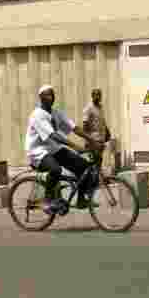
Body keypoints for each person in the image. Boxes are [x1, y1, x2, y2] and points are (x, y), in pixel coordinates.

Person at [25, 85, 95, 213]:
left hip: (54, 149)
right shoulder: (37, 115)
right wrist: (75, 146)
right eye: (47, 95)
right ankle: (47, 200)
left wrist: (92, 140)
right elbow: (53, 135)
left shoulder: (56, 113)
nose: (51, 98)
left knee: (83, 166)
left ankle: (81, 199)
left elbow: (74, 128)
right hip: (38, 152)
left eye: (52, 95)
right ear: (41, 98)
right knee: (55, 169)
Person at [80, 88, 111, 169]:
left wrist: (107, 132)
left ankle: (97, 174)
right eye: (96, 95)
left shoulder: (100, 107)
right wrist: (87, 140)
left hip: (101, 138)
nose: (97, 97)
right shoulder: (88, 108)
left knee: (99, 159)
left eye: (99, 95)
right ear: (92, 96)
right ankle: (93, 175)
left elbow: (102, 120)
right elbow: (85, 124)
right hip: (93, 140)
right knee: (93, 160)